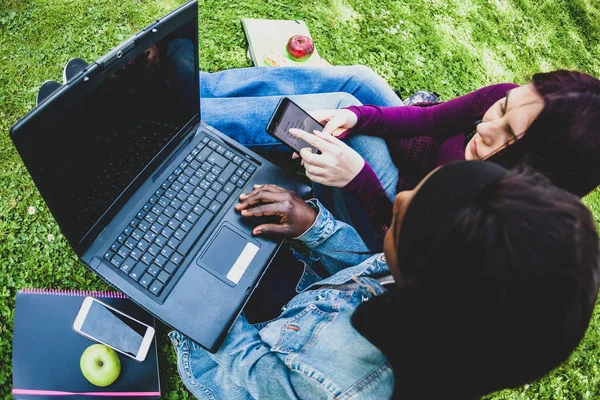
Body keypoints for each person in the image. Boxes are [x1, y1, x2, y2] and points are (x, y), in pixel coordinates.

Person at [168, 160, 600, 399]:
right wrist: (313, 227)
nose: (399, 196)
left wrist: (205, 307)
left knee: (173, 266)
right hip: (303, 317)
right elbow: (369, 268)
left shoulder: (336, 383)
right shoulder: (441, 304)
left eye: (396, 222)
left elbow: (254, 377)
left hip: (240, 370)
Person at [198, 66, 600, 244]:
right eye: (502, 109)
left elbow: (403, 247)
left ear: (540, 175)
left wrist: (358, 179)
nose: (484, 128)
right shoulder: (502, 99)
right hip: (416, 158)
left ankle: (176, 120)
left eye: (509, 135)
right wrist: (356, 115)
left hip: (398, 211)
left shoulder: (506, 211)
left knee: (339, 109)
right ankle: (195, 89)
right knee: (360, 83)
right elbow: (428, 121)